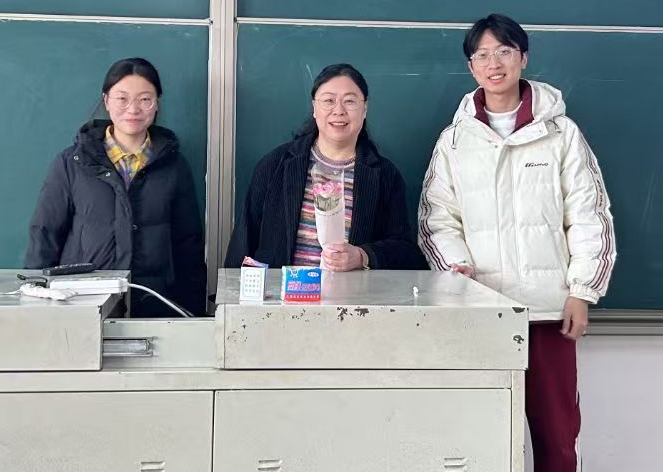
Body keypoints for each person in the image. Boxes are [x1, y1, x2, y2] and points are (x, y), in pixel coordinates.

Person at [417, 14, 616, 472]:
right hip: (480, 318)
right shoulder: (455, 140)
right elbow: (436, 218)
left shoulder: (561, 135)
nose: (493, 63)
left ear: (523, 58)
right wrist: (456, 272)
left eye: (504, 51)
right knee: (476, 440)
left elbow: (590, 216)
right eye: (481, 55)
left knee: (557, 439)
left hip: (548, 314)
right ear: (470, 67)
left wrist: (582, 290)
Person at [25, 57, 206, 317]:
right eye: (122, 98)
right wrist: (35, 298)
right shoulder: (72, 162)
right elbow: (45, 234)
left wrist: (193, 312)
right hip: (80, 306)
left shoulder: (174, 166)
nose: (133, 109)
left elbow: (188, 244)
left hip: (154, 305)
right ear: (106, 101)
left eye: (145, 99)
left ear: (157, 104)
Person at [225, 63, 426, 272]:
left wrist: (363, 256)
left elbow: (405, 250)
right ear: (314, 107)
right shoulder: (276, 165)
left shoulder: (385, 175)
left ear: (365, 108)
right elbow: (244, 242)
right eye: (329, 100)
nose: (338, 111)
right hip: (281, 292)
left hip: (352, 293)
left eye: (349, 101)